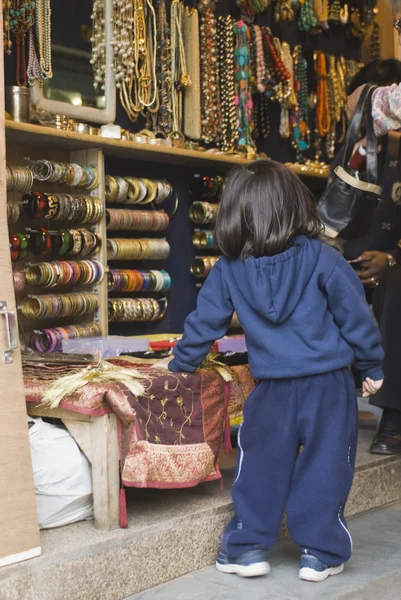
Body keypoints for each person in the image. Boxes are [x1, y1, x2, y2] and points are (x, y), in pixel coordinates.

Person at [156, 160, 384, 582]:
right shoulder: (325, 259)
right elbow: (356, 317)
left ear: (234, 213)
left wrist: (180, 364)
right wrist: (371, 364)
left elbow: (205, 324)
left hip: (271, 389)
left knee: (260, 464)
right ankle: (320, 553)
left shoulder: (227, 269)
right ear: (296, 204)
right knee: (326, 464)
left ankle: (246, 549)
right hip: (328, 387)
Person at [344, 55, 401, 455]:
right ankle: (338, 400)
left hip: (395, 255)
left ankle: (393, 416)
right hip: (371, 246)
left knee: (394, 288)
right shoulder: (365, 151)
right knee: (336, 276)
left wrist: (394, 258)